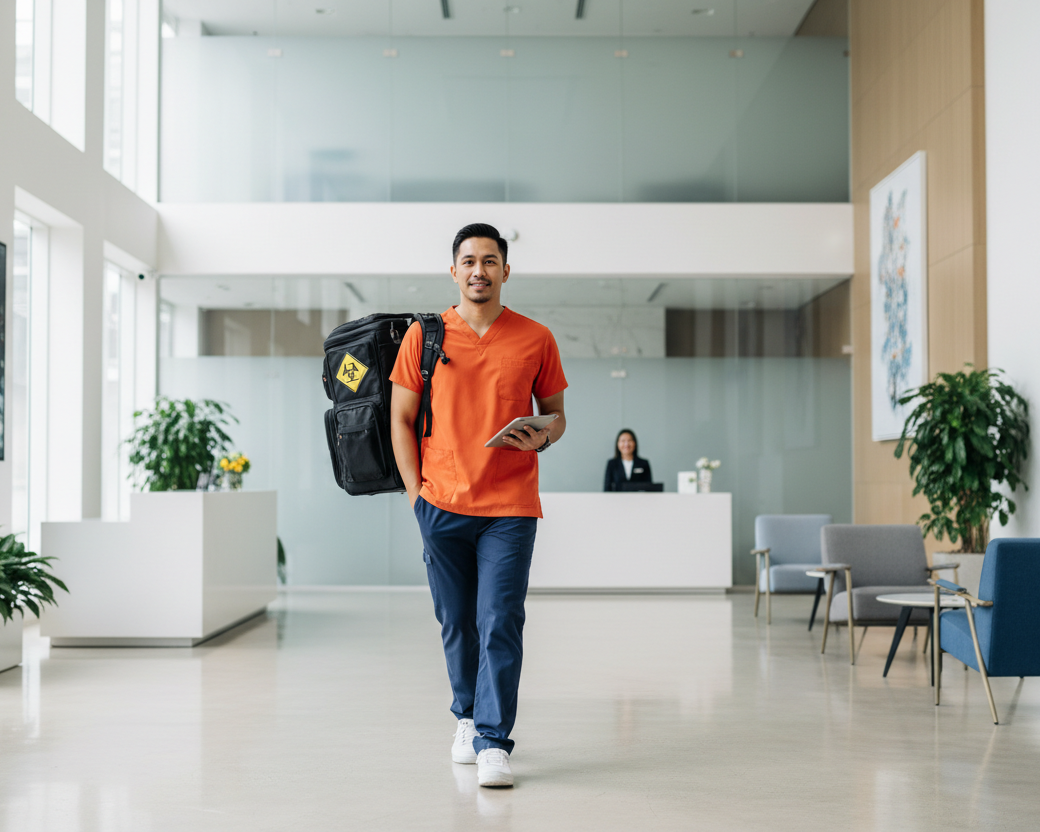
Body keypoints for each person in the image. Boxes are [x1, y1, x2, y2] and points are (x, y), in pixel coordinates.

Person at [389, 223, 567, 789]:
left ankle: (493, 739)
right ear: (454, 270)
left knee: (500, 620)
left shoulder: (535, 338)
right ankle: (465, 715)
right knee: (456, 622)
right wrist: (416, 495)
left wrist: (542, 436)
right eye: (468, 261)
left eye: (490, 261)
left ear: (505, 271)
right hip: (441, 503)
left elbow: (556, 415)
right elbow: (399, 418)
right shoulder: (426, 335)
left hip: (510, 506)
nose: (479, 271)